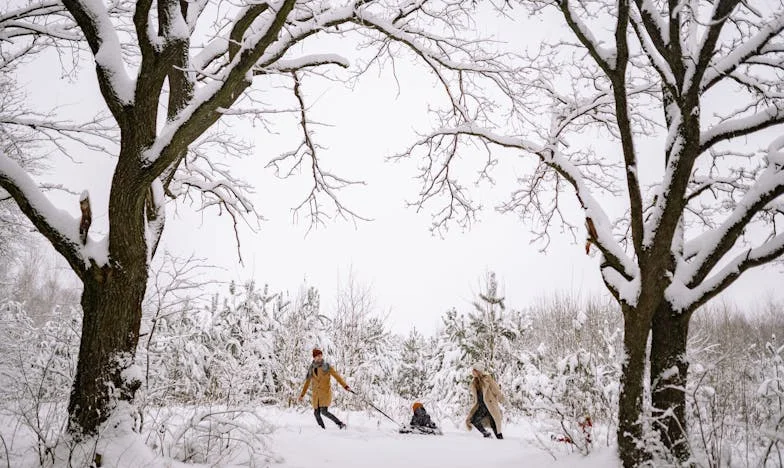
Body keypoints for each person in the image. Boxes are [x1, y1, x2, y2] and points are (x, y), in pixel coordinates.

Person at [298, 348, 351, 429]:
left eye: (320, 355)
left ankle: (340, 424)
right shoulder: (311, 368)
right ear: (314, 357)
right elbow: (307, 383)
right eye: (317, 356)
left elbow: (337, 377)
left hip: (325, 393)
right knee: (316, 413)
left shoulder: (327, 367)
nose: (320, 357)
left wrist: (345, 386)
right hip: (316, 395)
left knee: (324, 411)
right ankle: (322, 429)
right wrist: (302, 395)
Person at [465, 363, 504, 439]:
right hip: (481, 406)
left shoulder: (487, 379)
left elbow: (496, 390)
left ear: (478, 371)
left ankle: (501, 440)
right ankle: (486, 434)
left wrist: (503, 399)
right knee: (473, 420)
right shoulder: (474, 383)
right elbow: (475, 398)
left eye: (474, 370)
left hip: (490, 406)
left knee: (494, 425)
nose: (472, 372)